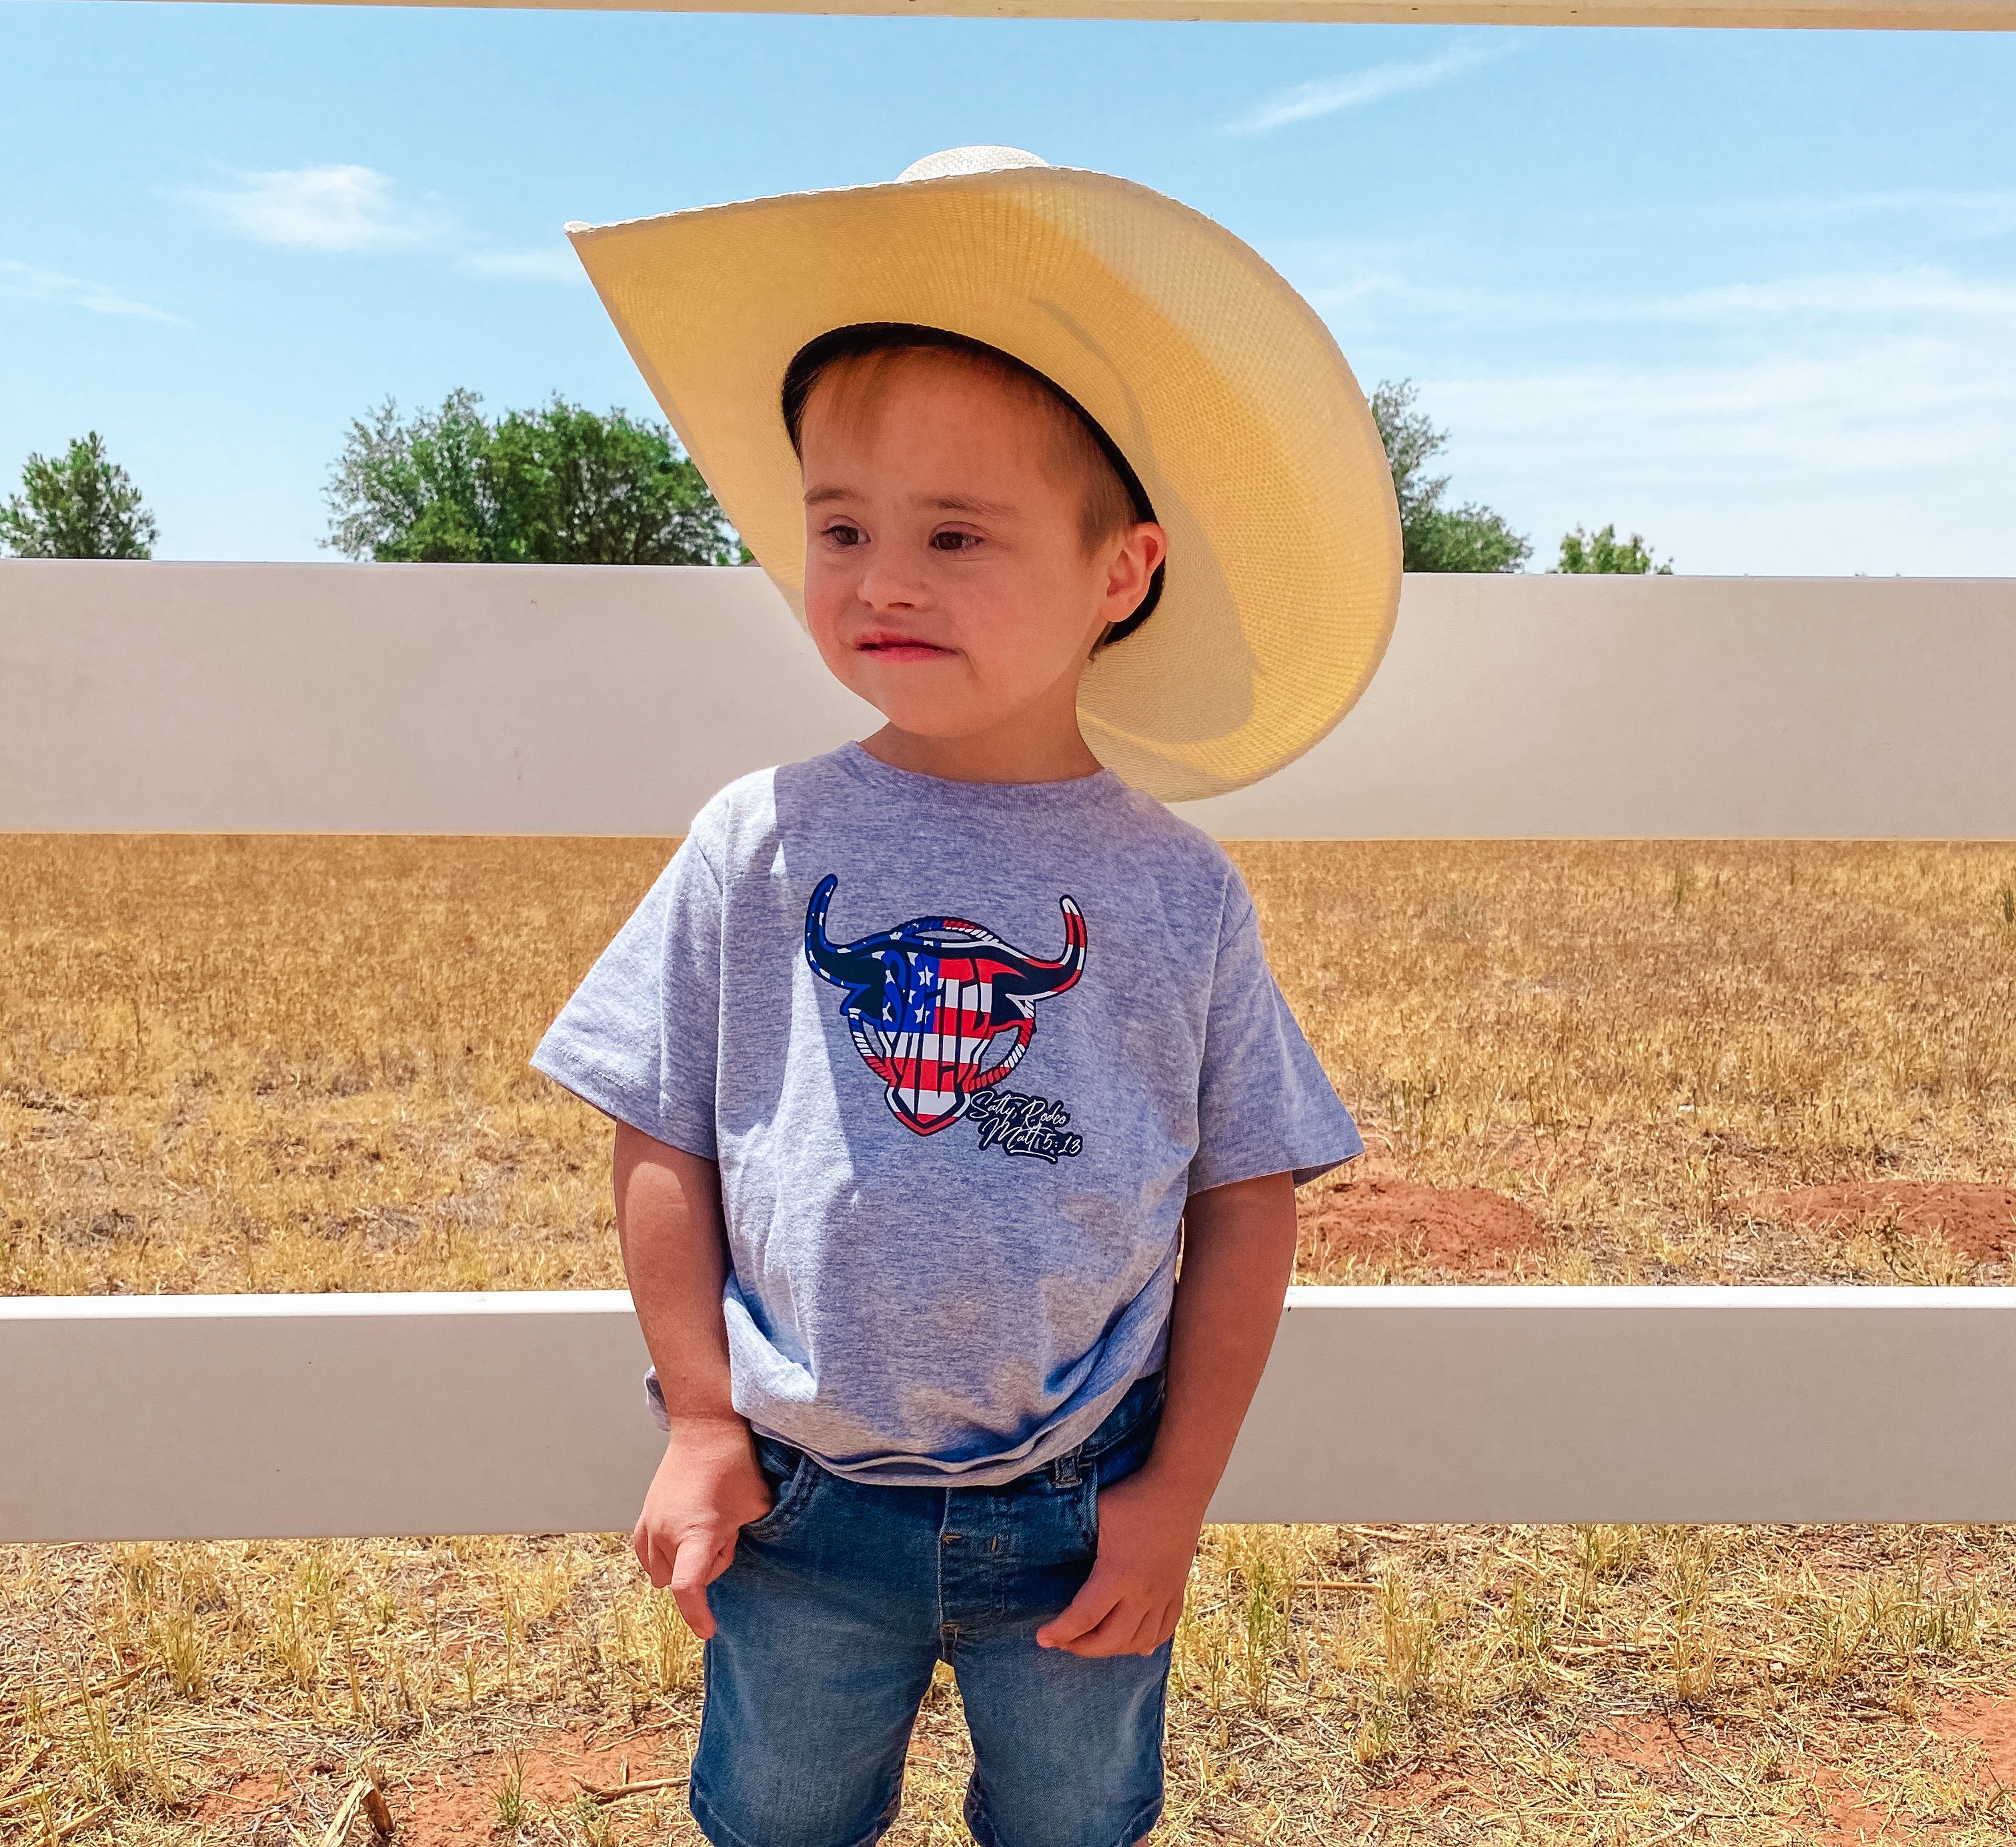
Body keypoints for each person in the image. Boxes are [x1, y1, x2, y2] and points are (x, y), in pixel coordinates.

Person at [532, 146, 1402, 1847]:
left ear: (1122, 571)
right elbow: (661, 1132)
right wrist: (701, 1419)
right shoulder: (758, 839)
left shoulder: (1172, 889)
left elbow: (1245, 1202)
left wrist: (1178, 1495)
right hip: (796, 1502)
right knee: (778, 1818)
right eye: (841, 525)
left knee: (1072, 1824)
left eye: (954, 532)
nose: (884, 578)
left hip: (1085, 1506)